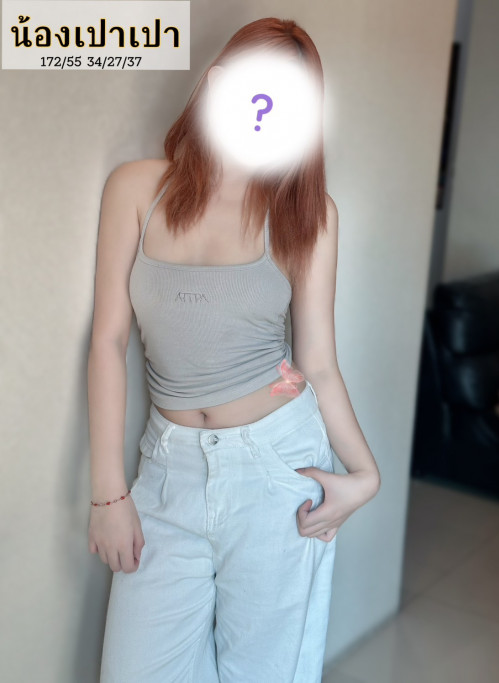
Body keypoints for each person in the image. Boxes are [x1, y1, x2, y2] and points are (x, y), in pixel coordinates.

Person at [88, 17, 381, 683]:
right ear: (217, 84)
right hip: (168, 471)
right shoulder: (136, 187)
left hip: (277, 468)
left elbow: (318, 364)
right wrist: (108, 494)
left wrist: (366, 474)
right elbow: (107, 340)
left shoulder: (310, 216)